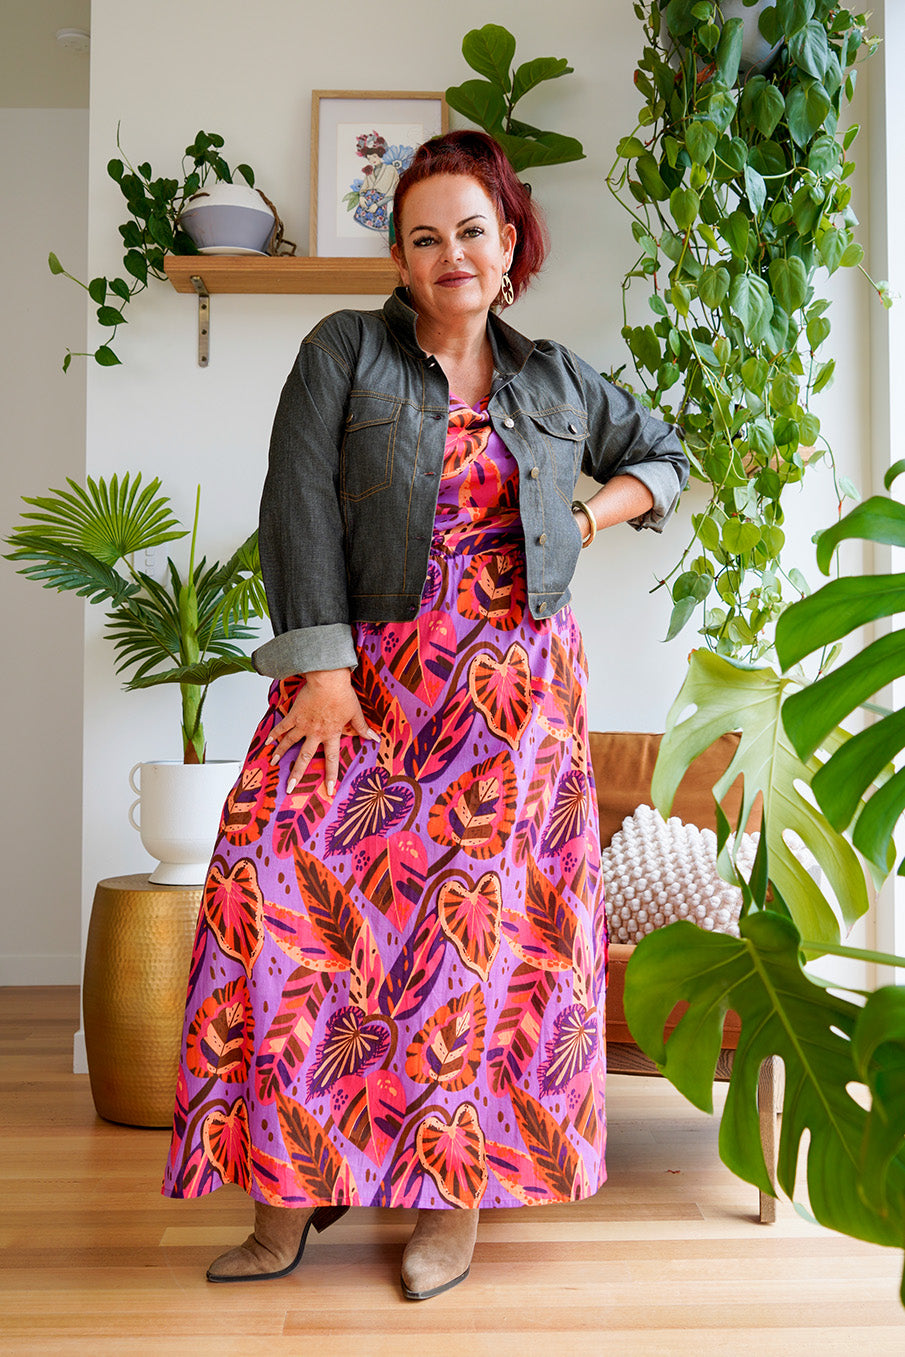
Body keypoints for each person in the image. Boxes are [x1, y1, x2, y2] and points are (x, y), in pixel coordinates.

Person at [162, 130, 689, 1301]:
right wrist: (322, 668)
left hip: (512, 702)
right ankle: (287, 1195)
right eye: (424, 236)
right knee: (278, 906)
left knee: (470, 949)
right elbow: (297, 504)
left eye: (471, 231)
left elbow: (663, 459)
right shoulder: (343, 352)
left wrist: (586, 518)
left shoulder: (555, 380)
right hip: (358, 683)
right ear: (399, 259)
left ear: (509, 245)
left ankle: (449, 1204)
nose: (451, 253)